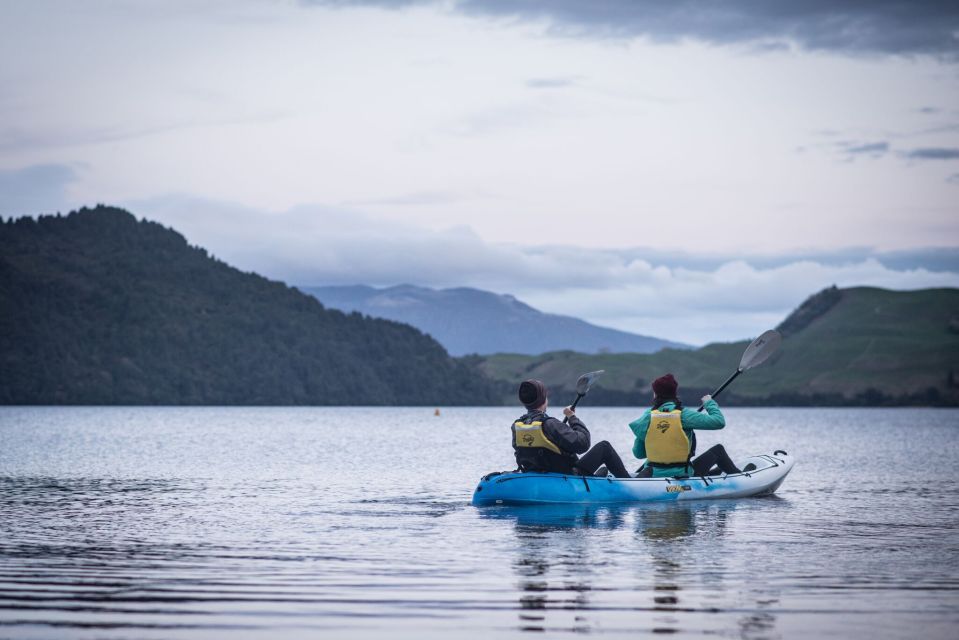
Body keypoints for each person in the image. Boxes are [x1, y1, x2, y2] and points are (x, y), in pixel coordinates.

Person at [512, 379, 631, 478]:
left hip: (540, 471)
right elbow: (582, 443)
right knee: (604, 447)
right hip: (567, 475)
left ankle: (599, 478)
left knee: (604, 470)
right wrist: (572, 417)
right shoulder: (550, 424)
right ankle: (629, 483)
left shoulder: (517, 426)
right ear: (544, 399)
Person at [629, 373, 741, 478]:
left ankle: (713, 473)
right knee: (718, 450)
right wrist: (709, 403)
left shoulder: (647, 417)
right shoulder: (684, 415)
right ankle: (742, 480)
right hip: (681, 474)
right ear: (674, 393)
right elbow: (719, 422)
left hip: (651, 474)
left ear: (655, 394)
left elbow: (638, 454)